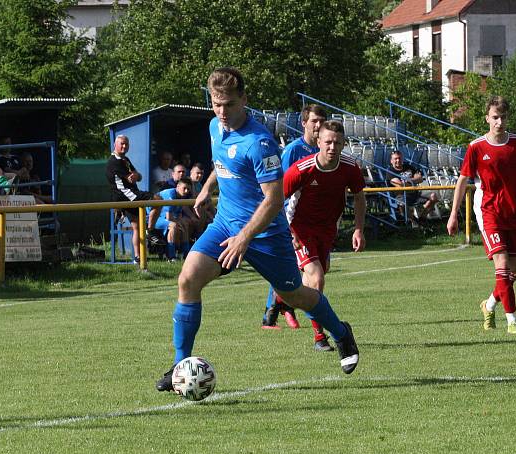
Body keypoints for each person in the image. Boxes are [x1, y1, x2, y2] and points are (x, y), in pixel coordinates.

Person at [155, 67, 360, 392]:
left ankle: (341, 332)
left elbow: (274, 199)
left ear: (244, 100)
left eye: (229, 105)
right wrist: (208, 186)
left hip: (265, 235)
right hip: (225, 224)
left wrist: (245, 237)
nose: (222, 112)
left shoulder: (260, 142)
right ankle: (181, 367)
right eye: (216, 104)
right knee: (188, 279)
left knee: (295, 295)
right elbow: (223, 164)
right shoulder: (213, 126)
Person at [447, 96, 516, 334]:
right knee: (501, 264)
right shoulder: (476, 147)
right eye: (495, 117)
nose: (499, 122)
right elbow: (462, 181)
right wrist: (454, 214)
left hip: (513, 212)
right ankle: (513, 320)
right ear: (487, 118)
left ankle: (488, 305)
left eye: (503, 117)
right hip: (488, 212)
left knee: (514, 271)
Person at [283, 120, 367, 351]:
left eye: (337, 142)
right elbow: (275, 201)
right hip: (300, 228)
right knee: (317, 278)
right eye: (328, 141)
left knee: (309, 283)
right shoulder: (301, 169)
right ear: (318, 141)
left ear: (343, 144)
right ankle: (320, 337)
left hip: (328, 229)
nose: (332, 146)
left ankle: (282, 299)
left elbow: (359, 197)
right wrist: (288, 232)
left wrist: (358, 228)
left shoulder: (350, 168)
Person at [262, 103, 327, 330]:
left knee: (302, 270)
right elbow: (280, 187)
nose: (318, 125)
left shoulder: (323, 151)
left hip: (314, 223)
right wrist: (284, 223)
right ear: (304, 123)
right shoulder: (293, 150)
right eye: (313, 121)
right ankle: (275, 314)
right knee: (294, 267)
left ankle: (280, 309)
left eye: (321, 121)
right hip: (290, 219)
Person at [106, 134, 160, 265]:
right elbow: (131, 178)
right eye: (121, 144)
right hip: (126, 195)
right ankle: (150, 230)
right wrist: (135, 176)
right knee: (158, 200)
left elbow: (138, 177)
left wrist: (136, 175)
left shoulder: (125, 159)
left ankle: (137, 257)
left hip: (128, 194)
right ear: (115, 145)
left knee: (136, 227)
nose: (124, 146)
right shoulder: (114, 161)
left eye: (126, 144)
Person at [387, 150, 439, 222]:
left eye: (399, 158)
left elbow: (420, 178)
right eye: (395, 159)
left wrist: (407, 181)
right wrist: (413, 180)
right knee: (402, 205)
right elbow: (400, 185)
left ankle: (422, 218)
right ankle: (414, 220)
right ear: (391, 161)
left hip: (415, 192)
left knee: (433, 196)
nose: (398, 160)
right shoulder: (390, 171)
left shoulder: (408, 166)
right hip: (401, 195)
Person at [152, 177, 193, 261]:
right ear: (177, 186)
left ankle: (186, 254)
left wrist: (181, 223)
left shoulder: (182, 196)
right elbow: (169, 217)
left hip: (162, 218)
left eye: (188, 189)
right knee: (174, 225)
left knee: (185, 224)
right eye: (184, 188)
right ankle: (171, 257)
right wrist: (179, 224)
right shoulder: (170, 194)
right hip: (151, 218)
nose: (186, 191)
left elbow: (178, 215)